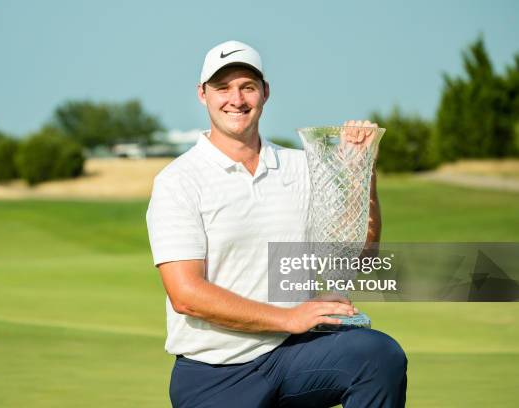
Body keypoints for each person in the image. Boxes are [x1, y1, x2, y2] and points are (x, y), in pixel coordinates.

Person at [146, 40, 407, 408]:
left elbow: (356, 261)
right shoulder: (179, 181)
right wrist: (289, 317)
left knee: (378, 357)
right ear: (202, 94)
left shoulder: (304, 168)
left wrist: (363, 173)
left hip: (293, 356)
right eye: (223, 87)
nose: (236, 99)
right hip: (214, 374)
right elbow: (186, 295)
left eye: (247, 87)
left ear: (265, 93)